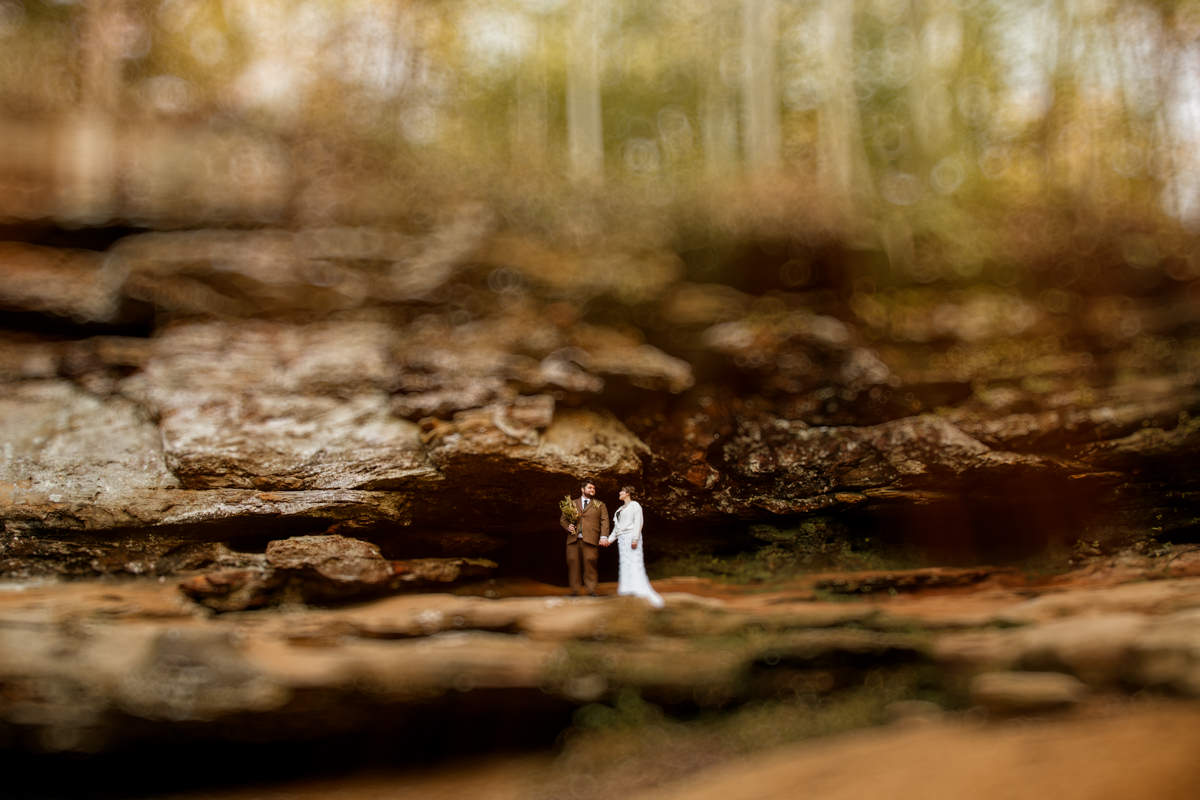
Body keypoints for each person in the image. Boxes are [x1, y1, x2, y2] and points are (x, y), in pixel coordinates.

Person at [600, 485, 664, 608]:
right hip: (622, 539)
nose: (619, 492)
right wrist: (609, 540)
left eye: (622, 491)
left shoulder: (635, 506)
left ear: (628, 493)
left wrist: (635, 538)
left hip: (632, 537)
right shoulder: (619, 509)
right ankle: (626, 587)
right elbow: (617, 528)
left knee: (635, 561)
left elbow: (638, 522)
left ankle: (639, 588)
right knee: (624, 562)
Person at [560, 477, 608, 596]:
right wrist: (568, 527)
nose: (592, 490)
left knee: (590, 564)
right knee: (573, 564)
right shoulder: (572, 503)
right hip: (573, 539)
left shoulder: (600, 504)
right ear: (582, 489)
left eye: (594, 488)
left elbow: (605, 521)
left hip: (590, 539)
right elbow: (563, 519)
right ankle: (575, 591)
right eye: (590, 487)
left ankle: (591, 590)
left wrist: (604, 536)